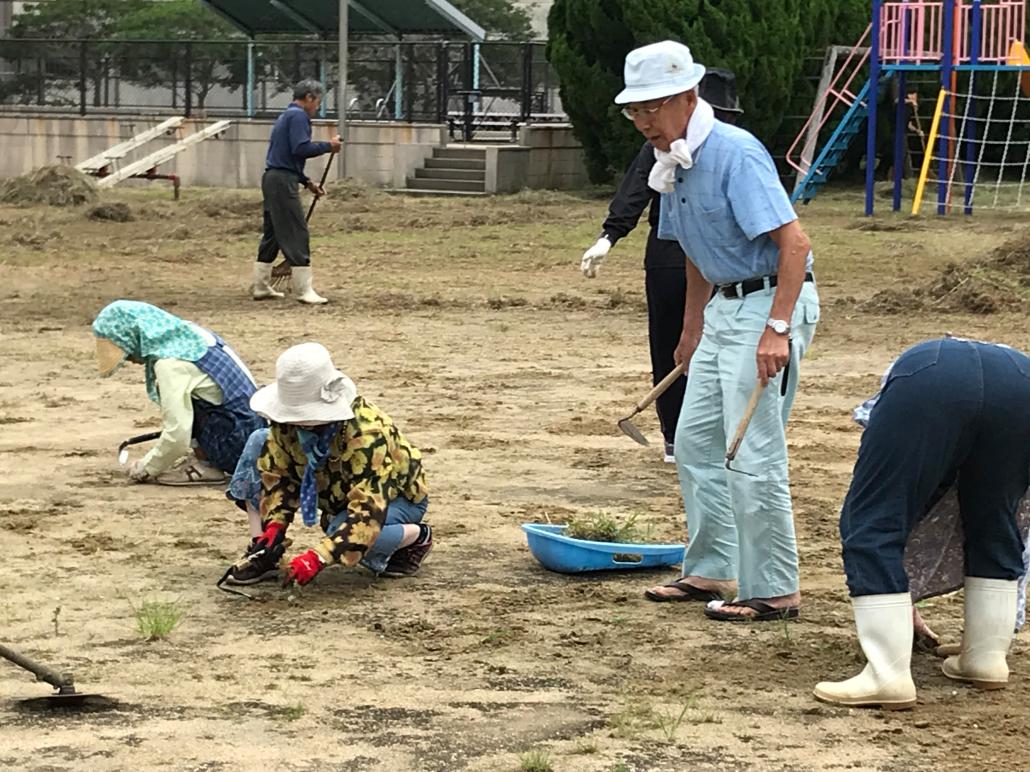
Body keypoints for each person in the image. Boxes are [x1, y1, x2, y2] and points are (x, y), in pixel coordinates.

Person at [613, 42, 820, 619]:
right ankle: (709, 570)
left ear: (688, 97)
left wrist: (776, 329)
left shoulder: (734, 153)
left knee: (750, 449)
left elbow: (795, 246)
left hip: (770, 303)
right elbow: (694, 253)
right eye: (635, 111)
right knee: (696, 443)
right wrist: (691, 326)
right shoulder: (675, 162)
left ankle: (775, 588)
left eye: (653, 107)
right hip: (723, 310)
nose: (644, 121)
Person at [814, 338, 1030, 709]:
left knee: (872, 519)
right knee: (995, 518)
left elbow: (897, 497)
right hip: (1022, 379)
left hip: (928, 376)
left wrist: (899, 590)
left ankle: (887, 675)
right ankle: (985, 658)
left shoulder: (905, 382)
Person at [579, 69, 744, 463]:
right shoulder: (665, 148)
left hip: (724, 263)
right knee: (672, 345)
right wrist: (609, 236)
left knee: (719, 345)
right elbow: (638, 187)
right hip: (671, 255)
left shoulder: (732, 152)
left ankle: (710, 433)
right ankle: (676, 436)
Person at [222, 342, 432, 587]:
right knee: (260, 440)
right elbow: (279, 475)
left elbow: (367, 513)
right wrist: (275, 525)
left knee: (339, 530)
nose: (296, 422)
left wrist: (319, 557)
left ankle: (417, 536)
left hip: (395, 499)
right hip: (336, 494)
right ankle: (263, 551)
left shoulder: (367, 435)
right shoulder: (285, 423)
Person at [92, 300, 266, 485]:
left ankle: (206, 465)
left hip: (236, 447)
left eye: (127, 353)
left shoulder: (171, 364)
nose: (131, 360)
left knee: (183, 408)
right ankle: (205, 458)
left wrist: (147, 467)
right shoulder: (189, 335)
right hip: (255, 434)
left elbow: (177, 435)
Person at [251, 79, 342, 305]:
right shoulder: (299, 117)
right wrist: (328, 146)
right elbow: (300, 148)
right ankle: (304, 289)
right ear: (309, 97)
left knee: (273, 233)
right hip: (282, 181)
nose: (317, 107)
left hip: (273, 177)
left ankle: (261, 285)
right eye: (318, 102)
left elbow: (286, 155)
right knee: (296, 231)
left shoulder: (285, 116)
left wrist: (306, 181)